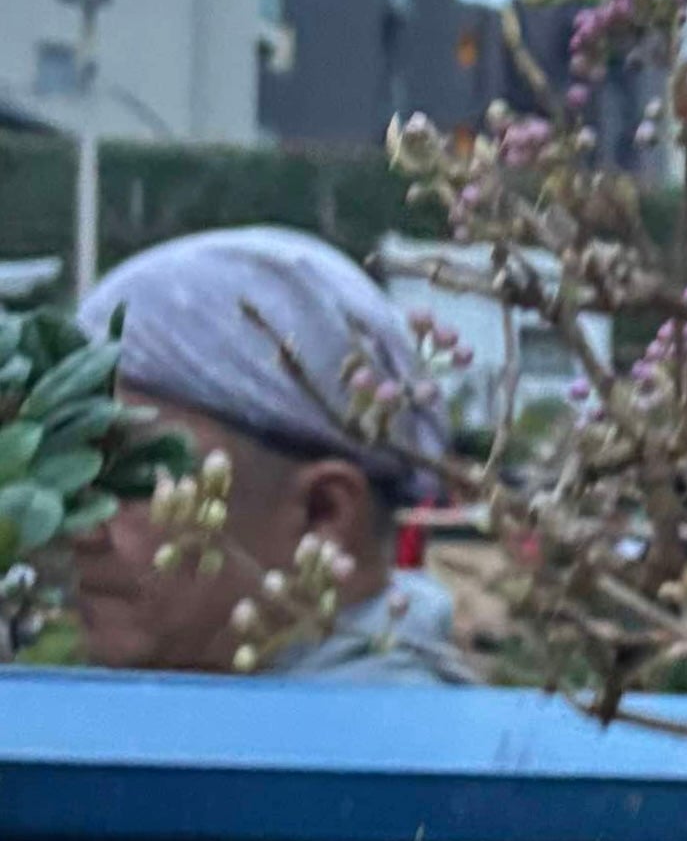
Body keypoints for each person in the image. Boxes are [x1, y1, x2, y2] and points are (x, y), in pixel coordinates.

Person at [69, 226, 471, 681]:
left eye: (134, 475)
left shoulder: (373, 743)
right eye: (80, 468)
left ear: (325, 513)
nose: (84, 531)